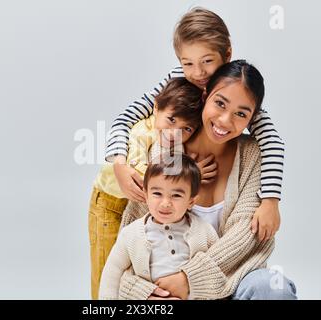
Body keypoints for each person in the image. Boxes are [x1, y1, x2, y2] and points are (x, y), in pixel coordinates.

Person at [118, 60, 297, 300]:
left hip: (230, 281)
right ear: (205, 96)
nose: (225, 120)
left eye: (241, 114)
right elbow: (133, 233)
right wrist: (144, 293)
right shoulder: (165, 150)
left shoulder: (254, 155)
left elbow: (247, 236)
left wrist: (189, 278)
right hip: (166, 287)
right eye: (220, 103)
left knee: (272, 288)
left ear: (252, 119)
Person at [107, 7, 283, 244]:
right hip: (114, 193)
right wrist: (118, 163)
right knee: (108, 273)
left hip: (163, 199)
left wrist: (270, 200)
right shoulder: (178, 80)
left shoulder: (240, 91)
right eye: (187, 63)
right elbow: (125, 118)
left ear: (227, 54)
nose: (198, 73)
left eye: (207, 61)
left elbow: (272, 142)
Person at [88, 78, 204, 299]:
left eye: (185, 128)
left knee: (131, 265)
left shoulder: (174, 141)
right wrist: (188, 172)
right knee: (107, 267)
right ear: (156, 108)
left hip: (139, 206)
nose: (173, 132)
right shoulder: (141, 132)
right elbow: (143, 172)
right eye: (170, 120)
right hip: (109, 204)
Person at [99, 154, 219, 300]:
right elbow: (113, 271)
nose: (165, 203)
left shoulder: (204, 230)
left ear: (191, 201)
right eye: (157, 193)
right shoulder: (131, 234)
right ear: (146, 194)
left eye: (176, 195)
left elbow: (216, 269)